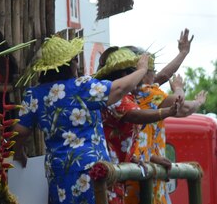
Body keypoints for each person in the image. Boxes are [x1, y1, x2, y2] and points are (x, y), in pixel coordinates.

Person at [13, 34, 150, 204]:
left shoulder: (34, 95)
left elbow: (19, 132)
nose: (77, 63)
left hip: (59, 172)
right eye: (75, 60)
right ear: (69, 64)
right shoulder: (82, 86)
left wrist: (19, 153)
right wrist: (142, 70)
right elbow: (119, 88)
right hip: (92, 171)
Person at [95, 47, 183, 204]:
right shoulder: (115, 97)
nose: (141, 78)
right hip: (109, 173)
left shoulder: (125, 96)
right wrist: (166, 111)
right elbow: (134, 115)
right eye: (135, 72)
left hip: (119, 172)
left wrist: (136, 158)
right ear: (124, 75)